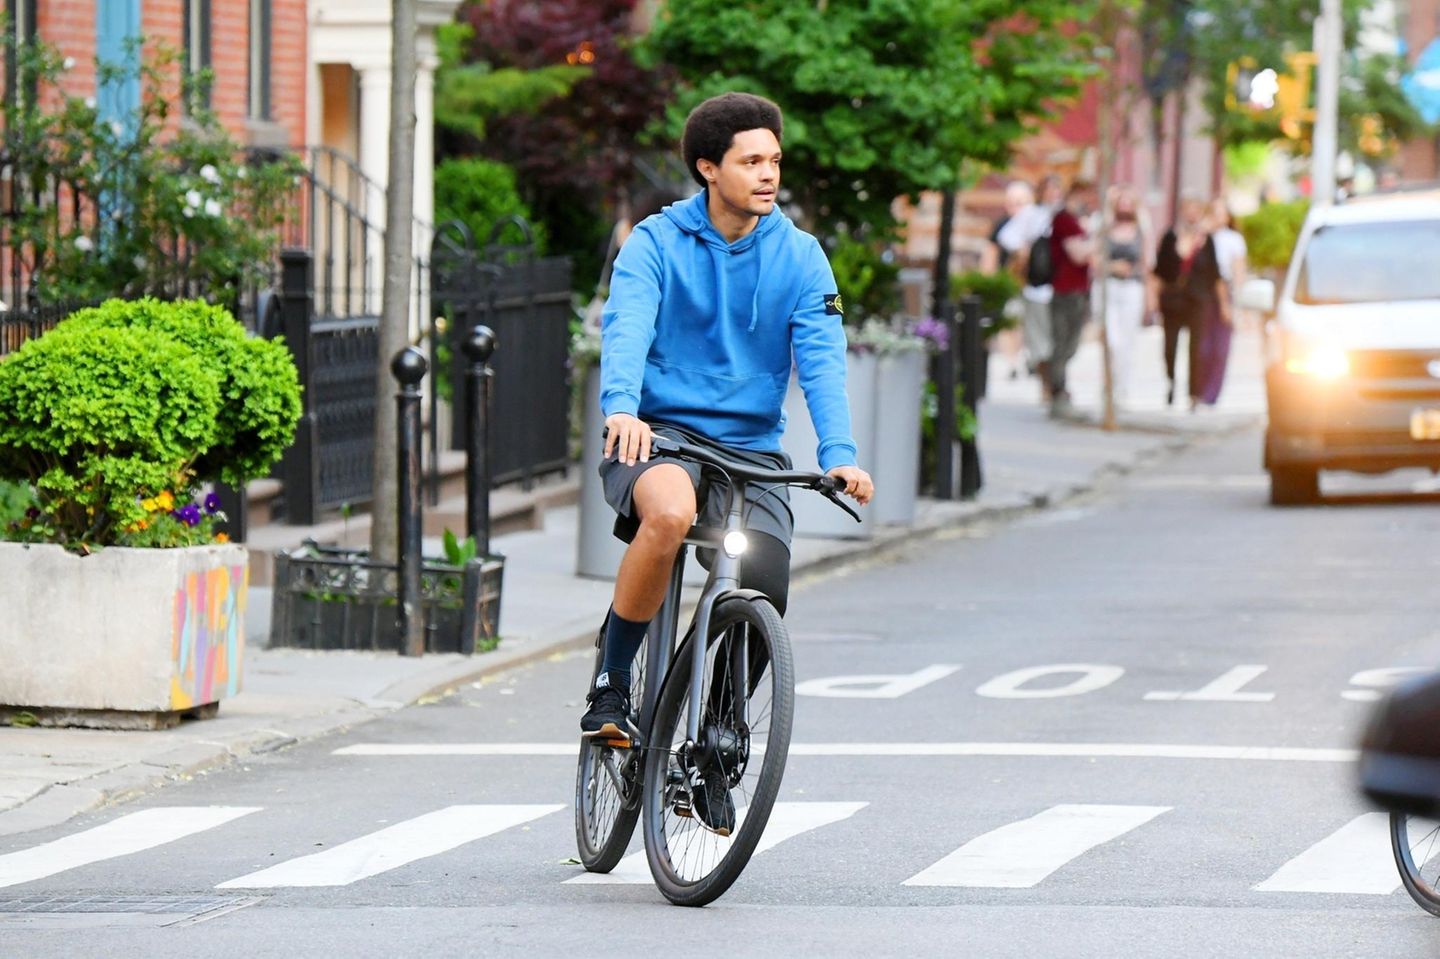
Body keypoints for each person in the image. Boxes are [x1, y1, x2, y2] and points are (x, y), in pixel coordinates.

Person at [583, 94, 874, 785]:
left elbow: (824, 357)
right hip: (661, 435)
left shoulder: (802, 257)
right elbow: (626, 325)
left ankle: (715, 734)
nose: (769, 174)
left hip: (751, 451)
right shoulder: (656, 242)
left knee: (766, 583)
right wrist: (622, 406)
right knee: (671, 513)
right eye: (751, 161)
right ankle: (613, 679)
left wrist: (839, 454)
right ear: (709, 167)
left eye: (774, 160)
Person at [1152, 196, 1224, 409]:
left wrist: (1223, 304)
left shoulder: (1207, 240)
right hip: (1173, 299)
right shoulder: (1170, 236)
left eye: (1196, 209)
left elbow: (1214, 273)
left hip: (1198, 299)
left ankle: (1194, 393)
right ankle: (1172, 383)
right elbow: (1160, 271)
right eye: (1188, 209)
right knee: (1170, 347)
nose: (1192, 214)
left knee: (1196, 347)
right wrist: (1153, 299)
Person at [997, 175, 1063, 392]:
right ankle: (1047, 383)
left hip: (1060, 284)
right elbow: (1007, 237)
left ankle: (1054, 380)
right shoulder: (1032, 214)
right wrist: (1027, 251)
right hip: (1036, 284)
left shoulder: (1063, 215)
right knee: (1040, 337)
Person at [1046, 179, 1098, 418]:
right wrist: (1097, 240)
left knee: (1071, 344)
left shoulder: (1075, 221)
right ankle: (1057, 391)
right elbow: (1078, 255)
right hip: (1066, 289)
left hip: (1078, 288)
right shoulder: (1065, 220)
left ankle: (1059, 389)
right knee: (1063, 343)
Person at [1095, 185, 1149, 409]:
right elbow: (1095, 257)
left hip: (1132, 288)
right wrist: (1112, 266)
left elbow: (1146, 262)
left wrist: (1149, 296)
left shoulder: (1140, 229)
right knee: (1112, 340)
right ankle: (1108, 385)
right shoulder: (1105, 228)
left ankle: (1122, 388)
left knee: (1127, 342)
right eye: (1121, 202)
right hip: (1108, 286)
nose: (1124, 206)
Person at [983, 180, 1033, 379]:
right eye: (1012, 202)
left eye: (1020, 202)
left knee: (1026, 322)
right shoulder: (1002, 225)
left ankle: (1025, 357)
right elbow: (991, 252)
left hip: (1032, 283)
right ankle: (1012, 361)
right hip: (1008, 281)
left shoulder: (1037, 223)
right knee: (1008, 321)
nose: (1016, 207)